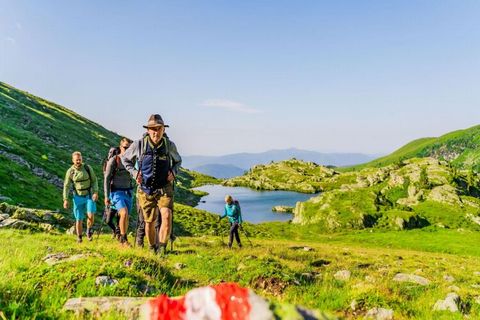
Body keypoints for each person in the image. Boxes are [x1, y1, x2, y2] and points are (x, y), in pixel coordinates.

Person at [122, 114, 182, 255]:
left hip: (164, 187)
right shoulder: (139, 145)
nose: (156, 132)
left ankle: (161, 249)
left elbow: (178, 161)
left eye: (158, 128)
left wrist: (174, 172)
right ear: (148, 130)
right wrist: (135, 173)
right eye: (152, 129)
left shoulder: (169, 145)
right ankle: (152, 247)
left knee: (166, 215)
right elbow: (125, 160)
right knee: (149, 221)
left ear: (163, 130)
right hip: (145, 189)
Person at [104, 137, 134, 247]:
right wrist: (107, 196)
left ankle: (123, 238)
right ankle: (123, 240)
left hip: (129, 192)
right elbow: (106, 179)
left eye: (130, 148)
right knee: (124, 213)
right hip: (116, 192)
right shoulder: (114, 160)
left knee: (126, 217)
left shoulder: (133, 160)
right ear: (120, 147)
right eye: (125, 148)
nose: (127, 150)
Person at [63, 151, 98, 243]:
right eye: (76, 160)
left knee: (91, 215)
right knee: (79, 218)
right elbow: (66, 186)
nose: (78, 161)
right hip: (77, 197)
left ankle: (89, 231)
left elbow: (94, 181)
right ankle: (79, 237)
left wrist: (95, 192)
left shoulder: (87, 168)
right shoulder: (70, 172)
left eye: (80, 159)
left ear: (82, 159)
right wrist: (65, 199)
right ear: (73, 160)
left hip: (89, 195)